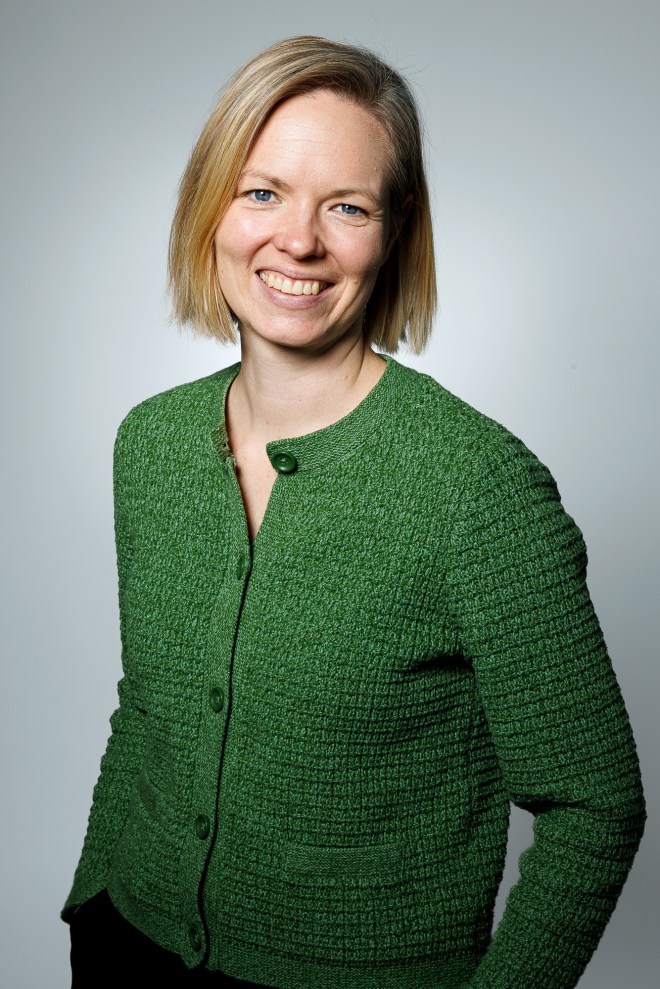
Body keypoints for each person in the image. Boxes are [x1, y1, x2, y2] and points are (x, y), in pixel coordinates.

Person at [63, 35, 645, 989]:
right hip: (131, 942)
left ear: (393, 231)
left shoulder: (475, 486)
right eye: (263, 192)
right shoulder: (153, 444)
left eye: (346, 206)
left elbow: (595, 803)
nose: (298, 240)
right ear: (210, 207)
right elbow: (149, 714)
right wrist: (94, 902)